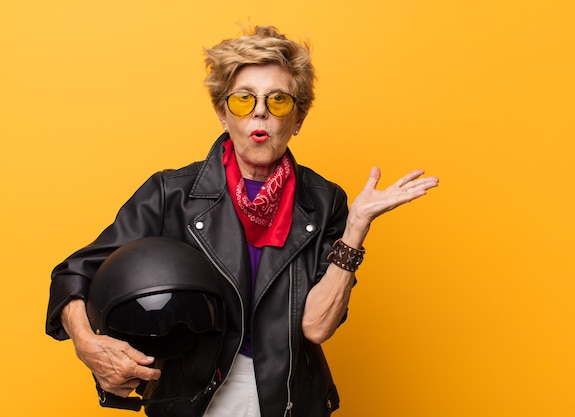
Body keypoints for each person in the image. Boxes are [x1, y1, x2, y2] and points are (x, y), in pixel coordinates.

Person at [46, 25, 439, 417]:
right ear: (222, 113)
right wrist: (86, 341)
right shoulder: (171, 194)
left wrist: (356, 227)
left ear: (298, 117)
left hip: (287, 399)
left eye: (279, 100)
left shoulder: (324, 201)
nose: (261, 111)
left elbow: (316, 328)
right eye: (243, 100)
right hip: (192, 399)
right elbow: (73, 273)